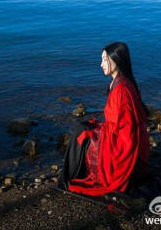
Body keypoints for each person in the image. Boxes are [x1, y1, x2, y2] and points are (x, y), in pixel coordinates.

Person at [62, 41, 150, 196]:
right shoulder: (121, 82)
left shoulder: (121, 90)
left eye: (104, 59)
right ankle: (72, 174)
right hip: (120, 134)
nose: (101, 64)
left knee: (80, 132)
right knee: (83, 128)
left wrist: (99, 132)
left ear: (116, 59)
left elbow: (126, 130)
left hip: (122, 144)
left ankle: (72, 176)